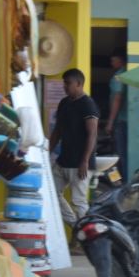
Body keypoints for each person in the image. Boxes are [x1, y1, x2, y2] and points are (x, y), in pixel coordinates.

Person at [48, 68, 99, 225]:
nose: (64, 86)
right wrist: (47, 151)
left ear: (78, 84)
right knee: (50, 194)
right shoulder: (64, 103)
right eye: (64, 82)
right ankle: (76, 226)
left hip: (80, 164)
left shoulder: (88, 105)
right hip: (63, 160)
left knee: (79, 203)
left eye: (68, 83)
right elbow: (57, 130)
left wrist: (84, 160)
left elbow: (92, 134)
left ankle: (85, 240)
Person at [104, 48, 128, 173]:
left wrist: (110, 122)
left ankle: (123, 181)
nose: (111, 64)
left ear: (121, 61)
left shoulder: (119, 76)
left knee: (120, 154)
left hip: (121, 120)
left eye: (114, 61)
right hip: (126, 119)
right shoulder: (127, 74)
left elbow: (117, 98)